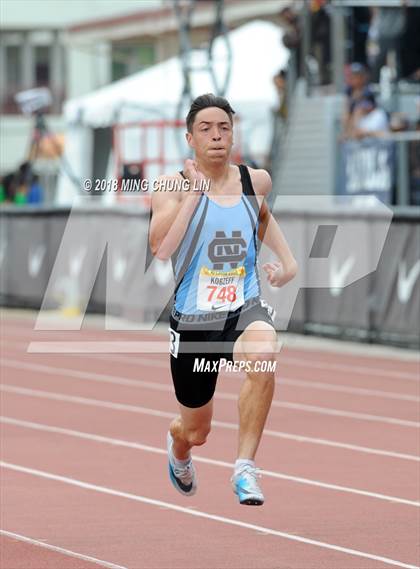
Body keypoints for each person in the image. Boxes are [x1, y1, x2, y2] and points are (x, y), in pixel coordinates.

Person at [149, 94, 297, 506]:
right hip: (194, 321)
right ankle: (178, 448)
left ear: (233, 134)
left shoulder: (256, 180)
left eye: (224, 128)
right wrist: (195, 196)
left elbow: (262, 215)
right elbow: (160, 247)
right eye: (206, 129)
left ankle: (245, 468)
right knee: (196, 430)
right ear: (189, 138)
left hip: (242, 305)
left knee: (265, 353)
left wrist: (287, 261)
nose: (216, 136)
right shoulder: (171, 187)